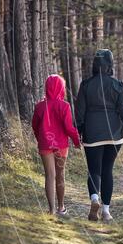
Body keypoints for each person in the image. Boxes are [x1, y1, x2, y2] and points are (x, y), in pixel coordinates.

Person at [75, 49, 123, 223]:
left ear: (95, 65)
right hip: (114, 134)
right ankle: (106, 212)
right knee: (107, 170)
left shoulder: (86, 85)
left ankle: (94, 199)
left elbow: (80, 112)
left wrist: (78, 133)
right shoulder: (117, 85)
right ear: (110, 65)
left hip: (92, 133)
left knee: (94, 170)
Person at [31, 75, 81, 216]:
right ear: (61, 88)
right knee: (60, 175)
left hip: (45, 144)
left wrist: (40, 138)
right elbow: (69, 128)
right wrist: (77, 141)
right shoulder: (64, 106)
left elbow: (34, 126)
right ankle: (61, 208)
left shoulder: (40, 106)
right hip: (61, 145)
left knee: (49, 176)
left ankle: (51, 210)